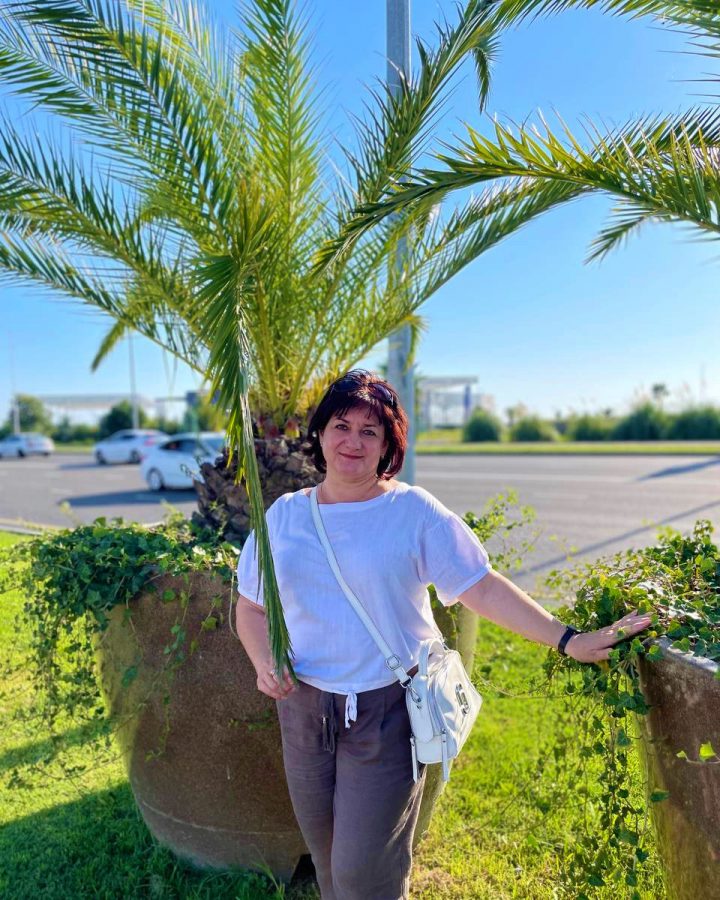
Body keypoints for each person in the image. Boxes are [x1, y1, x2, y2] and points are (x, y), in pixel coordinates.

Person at [234, 369, 652, 900]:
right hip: (304, 710)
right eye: (342, 426)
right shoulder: (285, 517)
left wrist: (567, 639)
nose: (353, 442)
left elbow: (482, 586)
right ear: (319, 432)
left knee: (365, 871)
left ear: (387, 446)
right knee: (327, 857)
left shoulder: (412, 512)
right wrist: (263, 661)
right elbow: (251, 608)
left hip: (384, 712)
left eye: (370, 432)